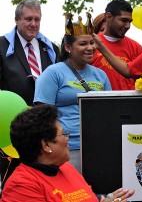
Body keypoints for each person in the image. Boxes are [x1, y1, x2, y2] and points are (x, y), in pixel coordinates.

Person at [0, 104, 135, 201]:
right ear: (46, 145)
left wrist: (106, 199)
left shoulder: (66, 168)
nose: (67, 140)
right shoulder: (21, 186)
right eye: (63, 134)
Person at [33, 13, 112, 173]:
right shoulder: (53, 73)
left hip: (97, 146)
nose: (90, 48)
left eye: (91, 43)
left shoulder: (101, 75)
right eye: (83, 44)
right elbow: (42, 115)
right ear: (68, 47)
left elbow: (109, 110)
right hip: (67, 149)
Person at [0, 0, 59, 189]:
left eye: (37, 19)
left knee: (41, 179)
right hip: (11, 127)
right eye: (28, 19)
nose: (33, 24)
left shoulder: (50, 48)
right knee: (14, 181)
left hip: (43, 124)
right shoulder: (1, 46)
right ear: (17, 20)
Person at [91, 0, 142, 90]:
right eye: (123, 20)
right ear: (109, 16)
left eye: (130, 22)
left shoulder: (136, 47)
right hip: (98, 101)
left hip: (128, 102)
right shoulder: (91, 43)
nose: (128, 26)